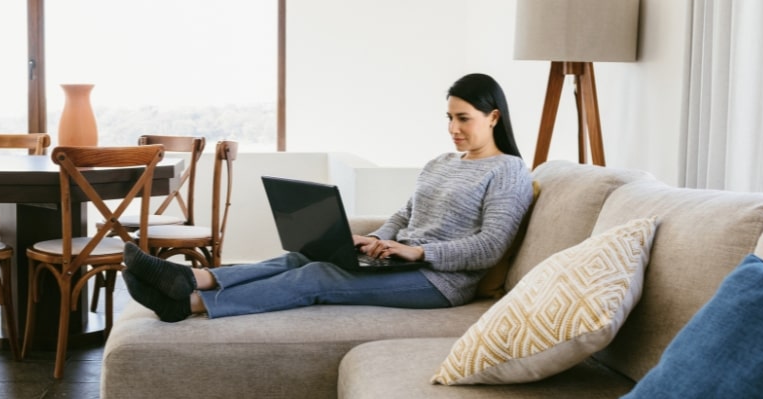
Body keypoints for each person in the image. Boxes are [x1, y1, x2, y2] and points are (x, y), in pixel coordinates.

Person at [122, 72, 535, 322]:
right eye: (449, 117)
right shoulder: (442, 161)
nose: (453, 128)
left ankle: (190, 304)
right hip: (399, 262)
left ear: (493, 117)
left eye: (463, 119)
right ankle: (191, 277)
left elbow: (489, 247)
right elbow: (406, 213)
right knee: (301, 257)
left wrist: (419, 253)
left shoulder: (509, 171)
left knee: (319, 277)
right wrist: (379, 239)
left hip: (439, 281)